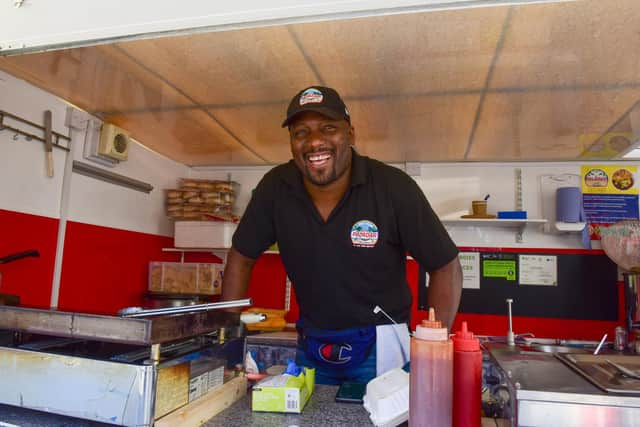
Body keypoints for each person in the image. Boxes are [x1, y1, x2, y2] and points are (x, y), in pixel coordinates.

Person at [222, 86, 462, 385]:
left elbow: (445, 264)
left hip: (382, 345)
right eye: (301, 133)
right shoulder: (275, 188)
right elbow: (240, 257)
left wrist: (433, 347)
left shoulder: (392, 187)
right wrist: (226, 337)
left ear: (350, 134)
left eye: (328, 128)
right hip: (311, 344)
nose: (314, 142)